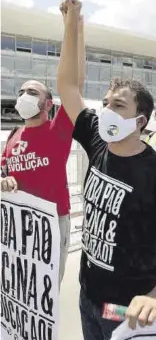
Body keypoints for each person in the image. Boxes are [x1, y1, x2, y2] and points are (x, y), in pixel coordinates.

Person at [57, 0, 156, 340]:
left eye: (117, 106)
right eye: (106, 103)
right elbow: (68, 86)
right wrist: (72, 24)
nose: (106, 111)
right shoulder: (96, 139)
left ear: (140, 120)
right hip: (88, 296)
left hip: (126, 309)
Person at [0, 16, 86, 286]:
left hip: (50, 221)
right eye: (22, 90)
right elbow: (2, 168)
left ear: (48, 103)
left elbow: (73, 82)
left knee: (45, 289)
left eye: (32, 92)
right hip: (16, 220)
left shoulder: (57, 129)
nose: (24, 95)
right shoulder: (13, 135)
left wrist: (72, 26)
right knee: (16, 285)